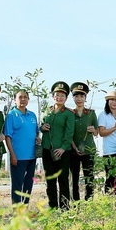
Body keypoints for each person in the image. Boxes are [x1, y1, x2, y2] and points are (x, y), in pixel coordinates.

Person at [41, 82, 75, 210]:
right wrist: (42, 127)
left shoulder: (68, 113)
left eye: (62, 95)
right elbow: (41, 123)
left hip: (63, 151)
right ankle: (52, 206)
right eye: (56, 95)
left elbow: (69, 132)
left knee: (63, 180)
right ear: (52, 96)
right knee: (50, 180)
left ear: (66, 98)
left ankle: (65, 207)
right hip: (47, 150)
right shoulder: (47, 111)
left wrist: (63, 147)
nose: (59, 97)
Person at [4, 89, 40, 205]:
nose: (23, 99)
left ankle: (25, 207)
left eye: (25, 97)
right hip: (18, 157)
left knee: (28, 184)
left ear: (28, 99)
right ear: (15, 100)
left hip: (31, 156)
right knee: (17, 184)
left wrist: (37, 138)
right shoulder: (11, 115)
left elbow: (36, 133)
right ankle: (16, 210)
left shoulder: (32, 115)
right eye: (20, 97)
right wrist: (12, 155)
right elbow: (7, 137)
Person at [69, 82, 98, 202]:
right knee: (74, 178)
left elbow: (97, 132)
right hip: (73, 150)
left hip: (88, 150)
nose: (79, 99)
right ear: (73, 98)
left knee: (89, 177)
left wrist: (93, 130)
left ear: (86, 98)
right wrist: (75, 147)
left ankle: (89, 201)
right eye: (76, 96)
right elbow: (68, 134)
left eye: (82, 96)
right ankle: (75, 202)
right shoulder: (70, 114)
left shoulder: (91, 113)